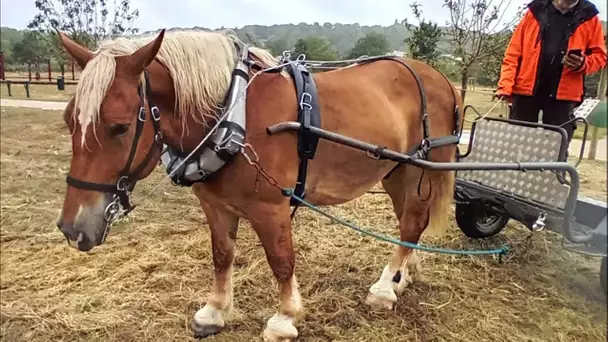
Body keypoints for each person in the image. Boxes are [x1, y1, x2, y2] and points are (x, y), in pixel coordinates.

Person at [495, 0, 607, 144]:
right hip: (526, 92)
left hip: (564, 96)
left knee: (557, 150)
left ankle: (552, 168)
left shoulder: (590, 16)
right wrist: (505, 86)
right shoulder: (535, 11)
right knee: (517, 145)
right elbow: (513, 53)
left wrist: (583, 64)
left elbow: (600, 56)